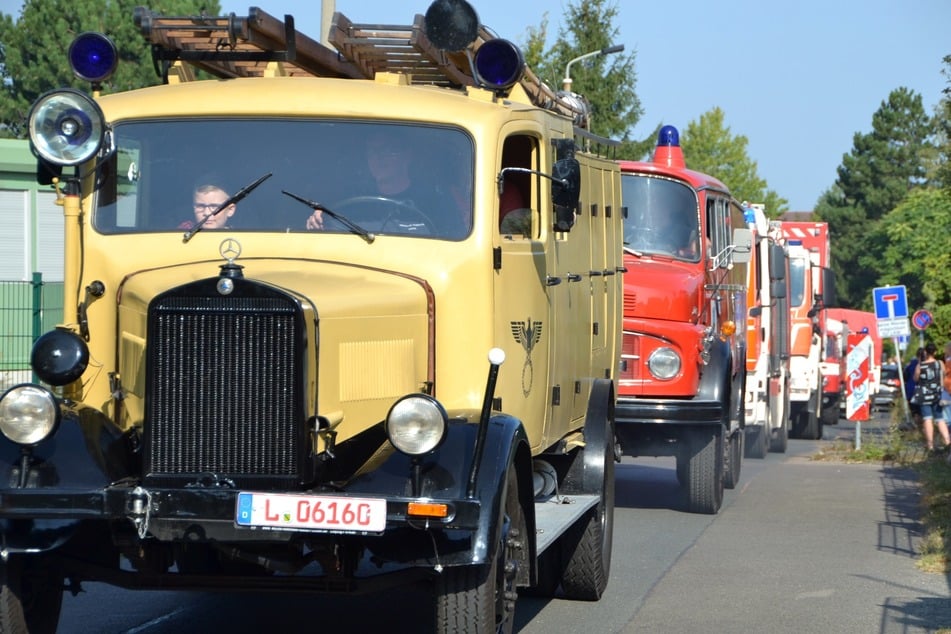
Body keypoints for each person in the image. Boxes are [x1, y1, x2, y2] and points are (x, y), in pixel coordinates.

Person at [306, 132, 444, 234]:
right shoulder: (352, 201)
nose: (378, 158)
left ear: (407, 156)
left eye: (387, 151)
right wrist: (318, 222)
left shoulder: (432, 202)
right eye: (372, 151)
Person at [913, 342, 949, 453]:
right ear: (935, 352)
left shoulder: (921, 365)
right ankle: (948, 442)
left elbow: (915, 379)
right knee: (940, 419)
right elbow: (943, 374)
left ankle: (930, 445)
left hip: (924, 395)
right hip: (937, 394)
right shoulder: (940, 363)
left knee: (927, 419)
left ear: (925, 352)